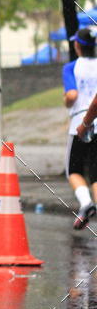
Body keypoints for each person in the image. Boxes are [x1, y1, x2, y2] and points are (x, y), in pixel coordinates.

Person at [63, 28, 97, 230]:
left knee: (74, 169)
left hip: (81, 123)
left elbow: (72, 96)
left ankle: (85, 204)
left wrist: (66, 101)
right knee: (96, 172)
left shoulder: (71, 67)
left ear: (77, 46)